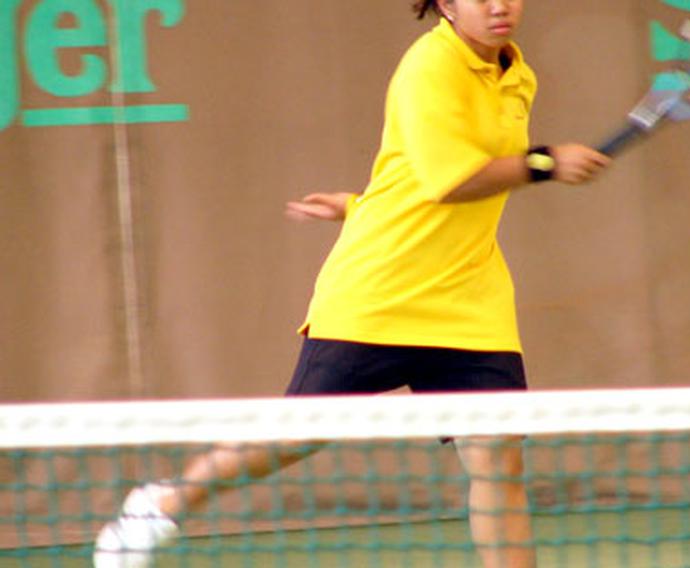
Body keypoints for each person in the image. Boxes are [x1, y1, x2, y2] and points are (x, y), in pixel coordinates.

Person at [93, 1, 610, 566]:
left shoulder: (517, 72)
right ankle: (163, 501)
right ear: (444, 4)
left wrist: (366, 206)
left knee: (497, 462)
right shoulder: (429, 68)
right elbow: (451, 180)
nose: (498, 4)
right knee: (296, 435)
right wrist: (546, 163)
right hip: (381, 294)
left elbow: (419, 170)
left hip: (468, 297)